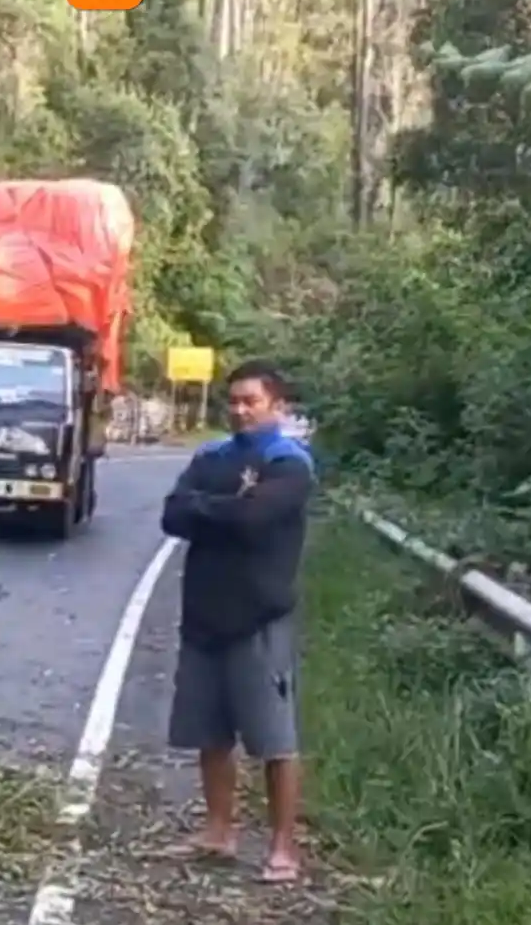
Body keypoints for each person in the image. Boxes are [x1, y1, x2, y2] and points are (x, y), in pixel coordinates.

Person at [159, 358, 315, 884]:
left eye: (252, 401)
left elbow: (256, 519)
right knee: (211, 733)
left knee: (275, 739)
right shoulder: (212, 456)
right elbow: (172, 515)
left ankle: (283, 847)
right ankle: (218, 831)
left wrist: (208, 508)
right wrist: (230, 505)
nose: (241, 410)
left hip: (260, 618)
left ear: (277, 405)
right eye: (235, 401)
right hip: (203, 617)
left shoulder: (289, 462)